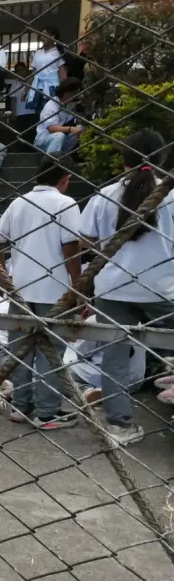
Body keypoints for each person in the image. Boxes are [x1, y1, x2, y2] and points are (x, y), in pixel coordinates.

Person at [79, 128, 174, 446]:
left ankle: (119, 426)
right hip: (164, 287)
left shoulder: (104, 195)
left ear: (124, 158)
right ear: (162, 158)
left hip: (113, 287)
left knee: (115, 356)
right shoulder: (171, 195)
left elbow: (85, 240)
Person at [0, 157, 83, 430]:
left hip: (20, 287)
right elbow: (70, 249)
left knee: (20, 349)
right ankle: (46, 412)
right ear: (64, 179)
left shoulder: (19, 203)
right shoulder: (66, 204)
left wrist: (3, 276)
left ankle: (21, 406)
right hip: (54, 289)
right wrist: (78, 286)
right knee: (50, 351)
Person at [35, 78, 84, 155]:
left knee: (80, 128)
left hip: (61, 139)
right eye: (74, 93)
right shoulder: (51, 105)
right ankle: (51, 161)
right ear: (66, 93)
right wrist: (71, 129)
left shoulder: (69, 106)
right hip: (44, 139)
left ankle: (63, 157)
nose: (76, 96)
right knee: (59, 135)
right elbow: (51, 128)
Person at [24, 26, 67, 113]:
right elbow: (33, 73)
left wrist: (64, 91)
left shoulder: (58, 53)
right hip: (38, 88)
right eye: (41, 35)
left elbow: (62, 74)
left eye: (45, 35)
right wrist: (26, 89)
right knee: (39, 113)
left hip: (53, 87)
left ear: (52, 37)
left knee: (51, 112)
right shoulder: (38, 53)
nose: (42, 37)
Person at [10, 61, 36, 142]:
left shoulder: (32, 83)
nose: (20, 72)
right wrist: (13, 113)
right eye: (18, 70)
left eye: (22, 69)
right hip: (20, 113)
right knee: (21, 133)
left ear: (25, 70)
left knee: (31, 133)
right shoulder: (15, 84)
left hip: (31, 112)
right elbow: (13, 100)